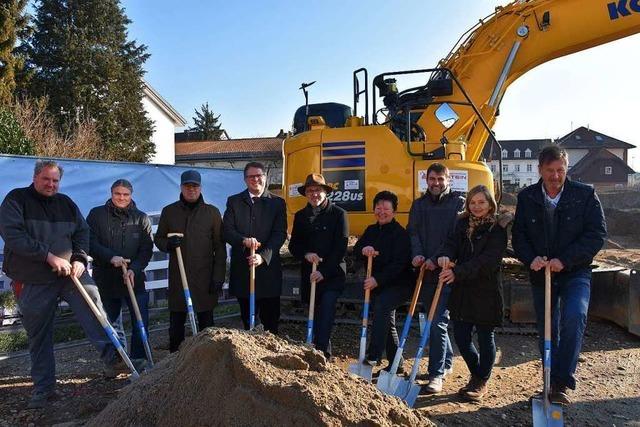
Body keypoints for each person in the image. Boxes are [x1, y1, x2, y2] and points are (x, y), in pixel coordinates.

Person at [0, 160, 119, 409]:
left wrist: (79, 258)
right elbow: (13, 236)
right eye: (46, 179)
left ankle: (116, 359)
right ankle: (44, 389)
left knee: (94, 304)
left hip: (69, 275)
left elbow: (82, 232)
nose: (51, 184)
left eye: (55, 181)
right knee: (39, 334)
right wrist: (48, 256)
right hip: (33, 278)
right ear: (35, 177)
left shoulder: (65, 203)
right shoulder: (16, 200)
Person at [512, 145, 606, 405]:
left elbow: (596, 234)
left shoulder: (585, 195)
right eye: (550, 171)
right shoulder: (527, 197)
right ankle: (550, 381)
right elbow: (519, 235)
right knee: (547, 327)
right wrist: (531, 258)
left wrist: (565, 260)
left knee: (575, 316)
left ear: (567, 169)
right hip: (542, 274)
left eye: (560, 171)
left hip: (576, 271)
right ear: (540, 169)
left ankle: (563, 381)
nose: (555, 176)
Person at [437, 185, 510, 402]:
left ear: (490, 205)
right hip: (463, 290)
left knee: (486, 337)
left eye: (482, 202)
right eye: (473, 202)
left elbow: (487, 261)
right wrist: (445, 256)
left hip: (486, 290)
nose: (477, 206)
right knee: (461, 336)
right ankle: (478, 374)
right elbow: (450, 244)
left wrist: (456, 271)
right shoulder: (461, 225)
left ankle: (480, 381)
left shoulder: (497, 229)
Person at [406, 162, 465, 393]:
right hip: (425, 270)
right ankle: (446, 360)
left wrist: (435, 258)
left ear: (448, 180)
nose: (436, 183)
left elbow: (453, 237)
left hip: (445, 270)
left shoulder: (457, 204)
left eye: (441, 179)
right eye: (432, 179)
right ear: (426, 180)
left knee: (436, 321)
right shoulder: (419, 205)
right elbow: (413, 232)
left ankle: (436, 374)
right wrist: (418, 254)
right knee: (434, 317)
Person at [154, 170, 226, 352]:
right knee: (176, 325)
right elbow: (159, 239)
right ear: (181, 187)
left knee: (207, 324)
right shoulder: (170, 212)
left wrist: (218, 277)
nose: (191, 189)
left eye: (194, 186)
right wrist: (168, 244)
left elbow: (220, 247)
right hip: (179, 278)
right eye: (187, 186)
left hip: (205, 278)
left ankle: (207, 360)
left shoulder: (212, 213)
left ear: (200, 188)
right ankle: (175, 362)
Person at [86, 179, 154, 370]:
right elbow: (90, 242)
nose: (121, 198)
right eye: (118, 194)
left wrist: (135, 269)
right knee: (111, 322)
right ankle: (117, 361)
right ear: (111, 193)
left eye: (125, 194)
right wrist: (110, 257)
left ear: (131, 195)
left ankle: (139, 359)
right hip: (106, 278)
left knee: (140, 320)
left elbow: (146, 249)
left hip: (134, 279)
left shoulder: (141, 218)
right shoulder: (97, 215)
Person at [288, 173, 348, 357]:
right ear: (306, 193)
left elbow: (341, 247)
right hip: (310, 274)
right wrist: (306, 254)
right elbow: (294, 245)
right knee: (314, 310)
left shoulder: (339, 214)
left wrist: (323, 271)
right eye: (310, 191)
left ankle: (322, 352)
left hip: (332, 273)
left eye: (318, 190)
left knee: (327, 307)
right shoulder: (300, 216)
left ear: (325, 192)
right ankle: (318, 348)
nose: (314, 194)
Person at [223, 162, 287, 334]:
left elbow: (279, 234)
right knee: (247, 320)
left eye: (259, 175)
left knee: (270, 322)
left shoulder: (278, 203)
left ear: (265, 178)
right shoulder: (234, 202)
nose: (256, 179)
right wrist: (243, 241)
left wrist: (263, 256)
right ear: (245, 180)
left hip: (268, 270)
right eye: (251, 176)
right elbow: (227, 231)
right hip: (243, 270)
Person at [353, 191, 413, 369]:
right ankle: (397, 364)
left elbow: (399, 264)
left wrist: (377, 280)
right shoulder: (371, 230)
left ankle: (374, 354)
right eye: (378, 208)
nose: (382, 212)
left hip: (400, 283)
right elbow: (356, 250)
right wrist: (364, 249)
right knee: (386, 320)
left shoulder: (400, 234)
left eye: (386, 208)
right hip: (379, 284)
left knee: (381, 305)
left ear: (394, 211)